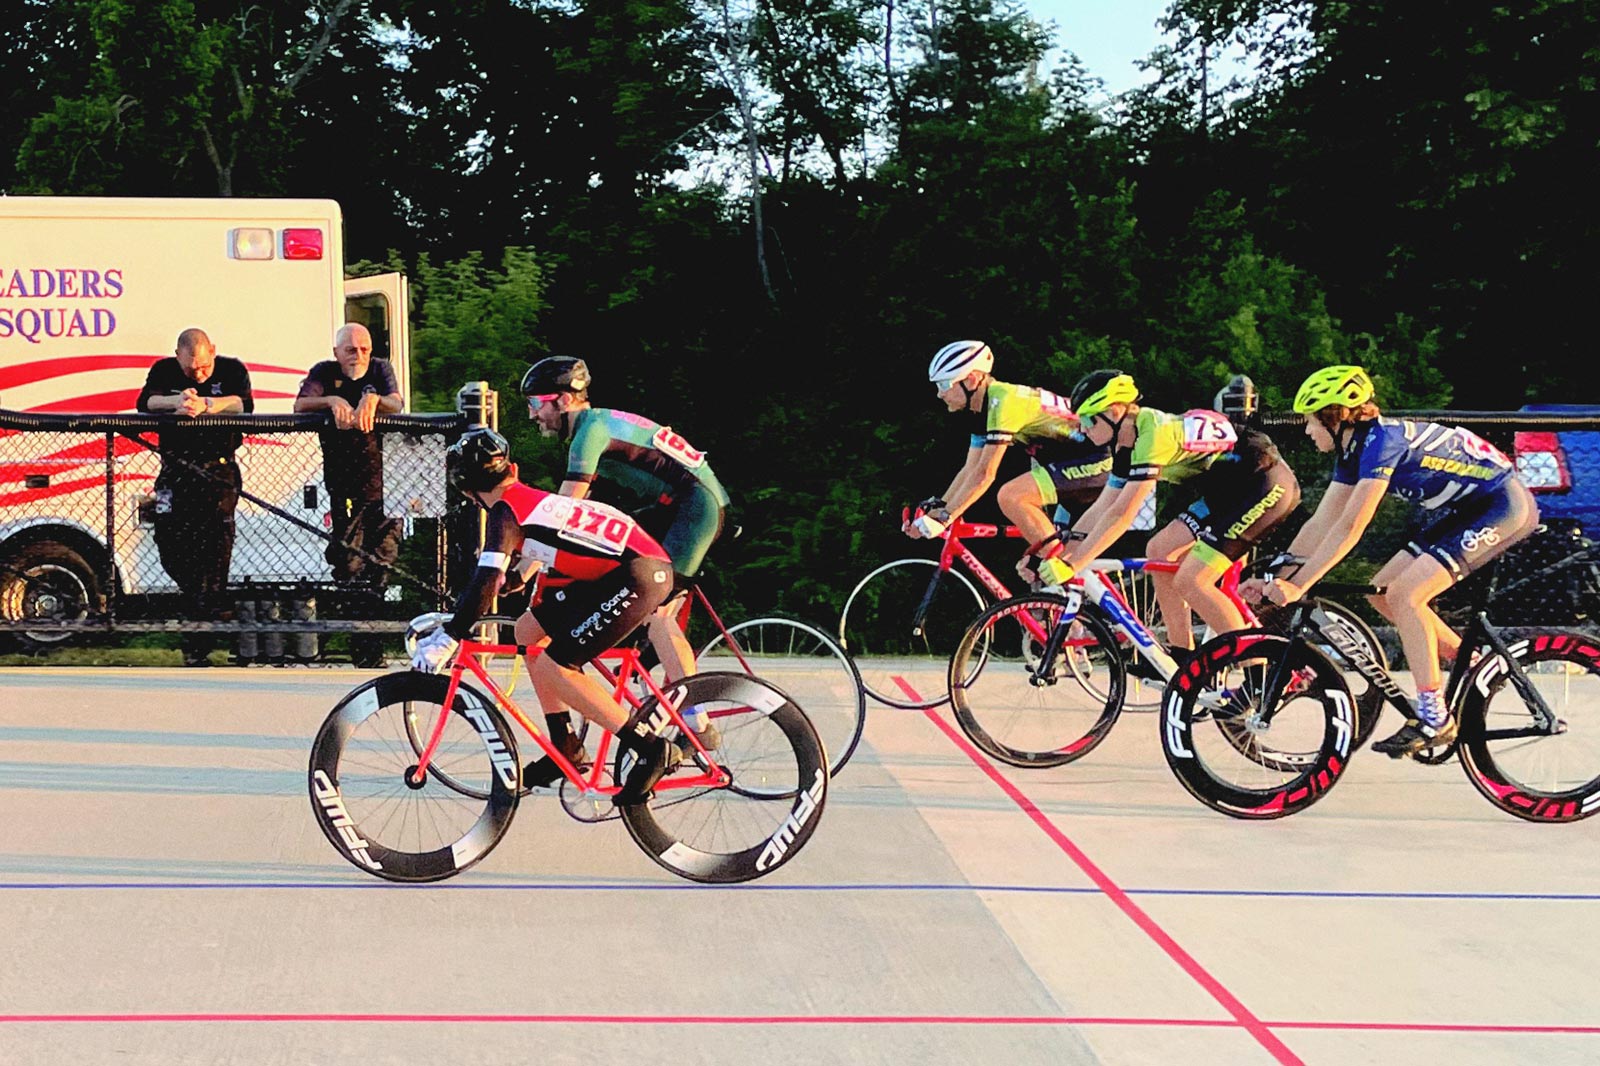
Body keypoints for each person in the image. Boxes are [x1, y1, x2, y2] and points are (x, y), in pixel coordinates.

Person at [1243, 365, 1539, 756]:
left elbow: (1351, 526)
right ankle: (1475, 668)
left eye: (1310, 421)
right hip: (1465, 509)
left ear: (1333, 417)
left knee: (1407, 595)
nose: (1306, 430)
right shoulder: (1355, 448)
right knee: (1382, 593)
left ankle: (1435, 717)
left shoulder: (1381, 443)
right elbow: (1323, 521)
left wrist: (1298, 585)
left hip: (1501, 504)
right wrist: (1275, 575)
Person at [408, 427, 679, 805]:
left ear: (469, 493)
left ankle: (650, 748)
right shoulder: (526, 500)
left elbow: (486, 578)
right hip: (625, 569)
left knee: (558, 665)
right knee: (527, 631)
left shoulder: (506, 512)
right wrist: (513, 580)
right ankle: (565, 745)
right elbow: (548, 551)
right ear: (513, 470)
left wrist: (451, 634)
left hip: (639, 573)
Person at [519, 356, 730, 750]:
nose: (533, 415)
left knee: (658, 609)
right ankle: (638, 655)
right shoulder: (594, 426)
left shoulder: (589, 434)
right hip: (675, 505)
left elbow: (562, 512)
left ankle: (698, 726)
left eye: (535, 404)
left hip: (694, 508)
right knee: (623, 571)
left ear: (562, 401)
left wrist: (525, 567)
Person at [1050, 369, 1300, 659]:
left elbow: (1123, 513)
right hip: (1228, 490)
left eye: (1087, 419)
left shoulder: (1152, 435)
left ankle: (1257, 676)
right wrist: (1064, 552)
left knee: (1192, 581)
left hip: (1264, 484)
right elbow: (1104, 505)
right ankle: (1182, 657)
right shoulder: (1125, 444)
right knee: (1159, 550)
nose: (1082, 429)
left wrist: (1075, 562)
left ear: (1115, 411)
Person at [906, 341, 1113, 588]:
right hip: (1071, 467)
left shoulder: (1004, 400)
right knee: (1038, 575)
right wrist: (939, 508)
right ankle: (1083, 623)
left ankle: (1068, 583)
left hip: (1098, 461)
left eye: (944, 385)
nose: (940, 393)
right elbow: (969, 470)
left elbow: (985, 473)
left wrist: (945, 517)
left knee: (1012, 496)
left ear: (971, 380)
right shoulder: (981, 411)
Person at [136, 327, 254, 666]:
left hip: (218, 471)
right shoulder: (163, 371)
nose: (199, 373)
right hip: (175, 469)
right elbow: (145, 401)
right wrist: (177, 402)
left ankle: (200, 639)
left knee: (214, 552)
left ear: (213, 351)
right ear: (178, 356)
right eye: (191, 369)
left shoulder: (232, 370)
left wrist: (208, 405)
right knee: (169, 546)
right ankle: (212, 611)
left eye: (203, 367)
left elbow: (243, 404)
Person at [294, 323, 405, 665]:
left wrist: (374, 400)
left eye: (364, 349)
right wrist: (332, 401)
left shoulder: (380, 369)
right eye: (351, 350)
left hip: (385, 486)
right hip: (343, 486)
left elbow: (396, 403)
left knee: (383, 560)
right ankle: (359, 643)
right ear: (336, 353)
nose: (358, 355)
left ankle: (373, 647)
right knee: (348, 563)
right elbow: (300, 405)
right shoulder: (324, 373)